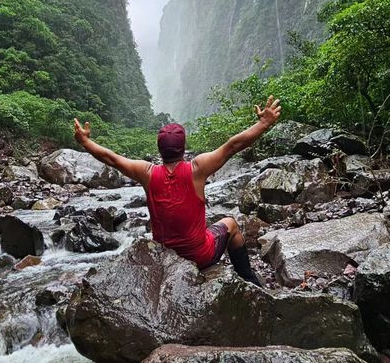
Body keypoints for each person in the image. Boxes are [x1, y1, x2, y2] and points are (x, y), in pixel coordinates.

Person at [73, 95, 281, 286]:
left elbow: (112, 159)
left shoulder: (147, 172)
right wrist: (263, 123)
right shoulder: (196, 169)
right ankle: (248, 279)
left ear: (159, 148)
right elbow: (232, 146)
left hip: (165, 257)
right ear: (183, 147)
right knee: (231, 224)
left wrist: (85, 141)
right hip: (199, 256)